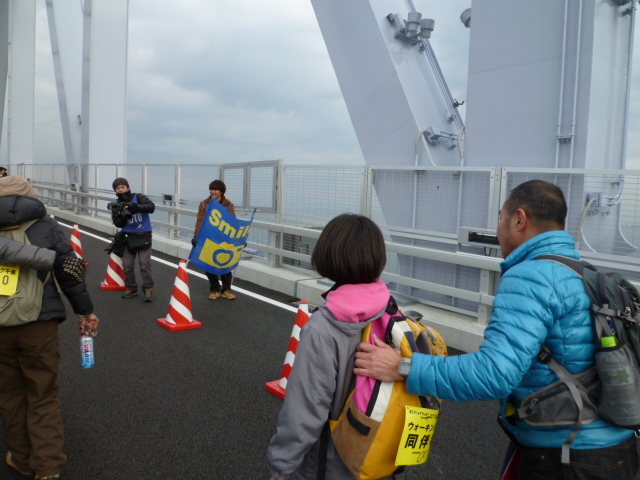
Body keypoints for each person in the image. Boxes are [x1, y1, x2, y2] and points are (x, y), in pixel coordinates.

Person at [354, 180, 637, 480]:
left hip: (567, 458)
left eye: (501, 219)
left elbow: (494, 374)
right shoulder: (578, 271)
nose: (500, 228)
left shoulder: (531, 277)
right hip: (612, 448)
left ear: (519, 219)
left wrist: (403, 367)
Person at [268, 213, 400, 480]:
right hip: (377, 457)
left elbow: (304, 413)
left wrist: (281, 468)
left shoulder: (323, 329)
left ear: (328, 254)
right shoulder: (391, 311)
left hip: (331, 465)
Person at [0, 175, 100, 480]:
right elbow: (71, 272)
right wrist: (86, 313)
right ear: (30, 197)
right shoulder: (47, 226)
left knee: (10, 394)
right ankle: (48, 468)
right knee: (42, 393)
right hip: (39, 323)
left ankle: (22, 459)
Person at [110, 177, 155, 302]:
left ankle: (148, 289)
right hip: (128, 237)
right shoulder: (116, 205)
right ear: (116, 191)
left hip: (144, 234)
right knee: (127, 265)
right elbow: (117, 224)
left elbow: (151, 207)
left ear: (128, 188)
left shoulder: (139, 197)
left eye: (123, 187)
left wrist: (136, 207)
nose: (121, 190)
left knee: (144, 264)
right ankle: (131, 288)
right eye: (118, 188)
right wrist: (122, 216)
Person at [192, 179, 237, 300]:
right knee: (208, 264)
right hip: (208, 238)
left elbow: (233, 223)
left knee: (225, 264)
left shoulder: (229, 205)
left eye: (216, 189)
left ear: (221, 191)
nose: (213, 192)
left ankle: (226, 289)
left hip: (223, 239)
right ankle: (215, 289)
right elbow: (200, 220)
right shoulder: (204, 204)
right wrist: (196, 235)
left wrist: (238, 239)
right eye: (211, 189)